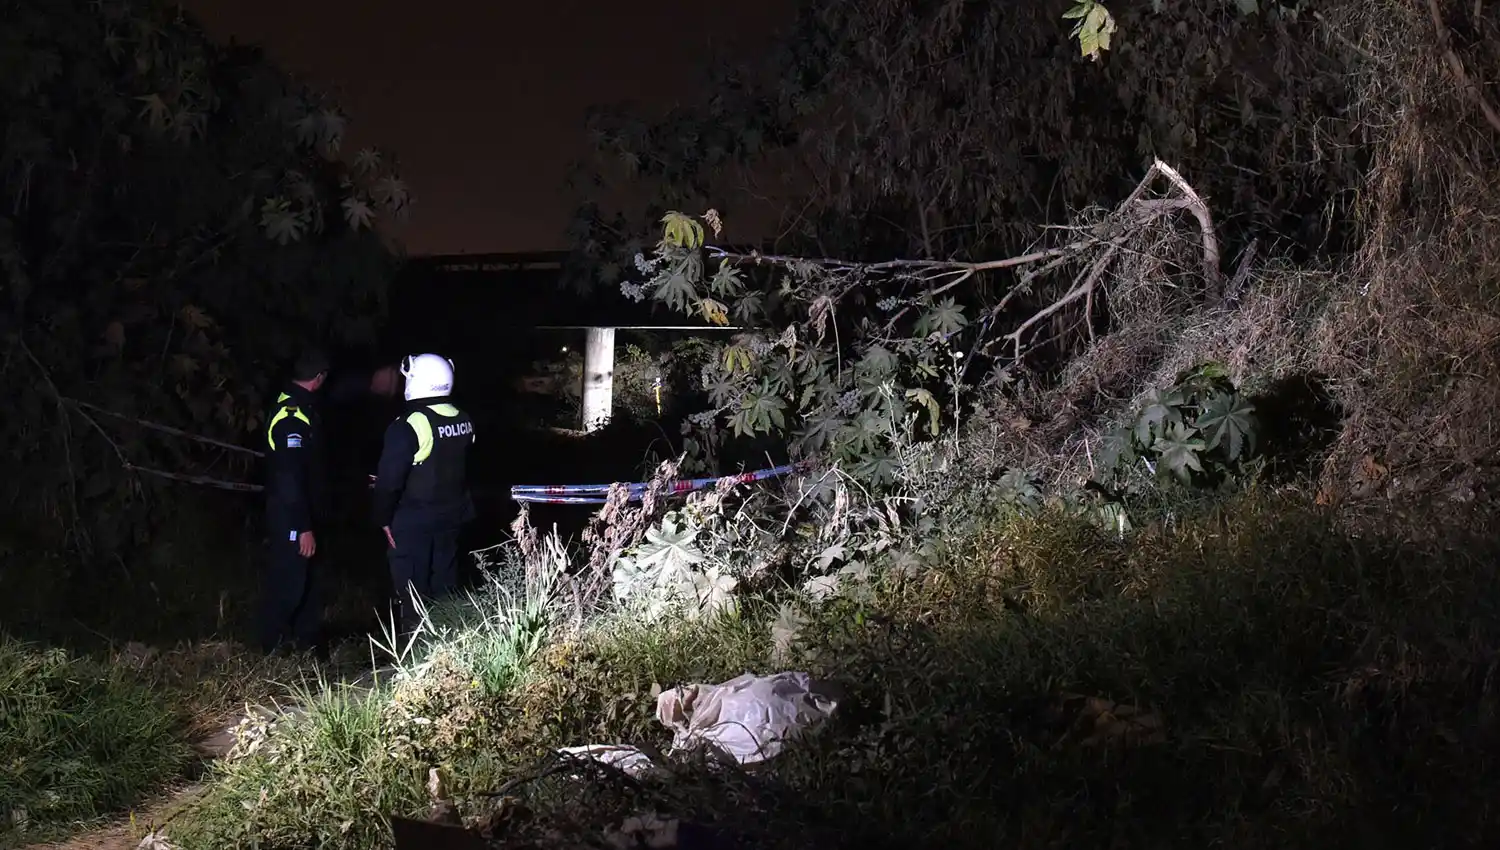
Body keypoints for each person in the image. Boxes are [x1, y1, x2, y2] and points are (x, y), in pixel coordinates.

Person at [260, 348, 398, 655]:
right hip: (292, 518)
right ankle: (272, 649)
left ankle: (305, 643)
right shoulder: (292, 417)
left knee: (309, 582)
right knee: (289, 584)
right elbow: (289, 479)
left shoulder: (305, 407)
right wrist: (303, 526)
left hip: (306, 512)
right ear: (319, 378)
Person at [370, 352, 476, 636]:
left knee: (411, 592)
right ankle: (448, 643)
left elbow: (389, 481)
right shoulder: (463, 418)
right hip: (453, 516)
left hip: (414, 521)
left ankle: (415, 650)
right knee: (445, 585)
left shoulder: (409, 424)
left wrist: (382, 517)